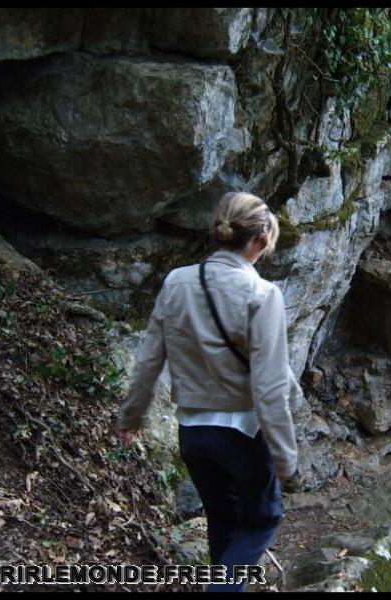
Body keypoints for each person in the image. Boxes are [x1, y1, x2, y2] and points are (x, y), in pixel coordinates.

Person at [117, 191, 300, 592]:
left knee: (224, 520)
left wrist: (130, 418)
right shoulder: (262, 295)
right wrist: (286, 458)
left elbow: (149, 360)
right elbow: (269, 388)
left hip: (193, 433)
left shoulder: (176, 282)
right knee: (262, 518)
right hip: (242, 434)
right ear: (259, 240)